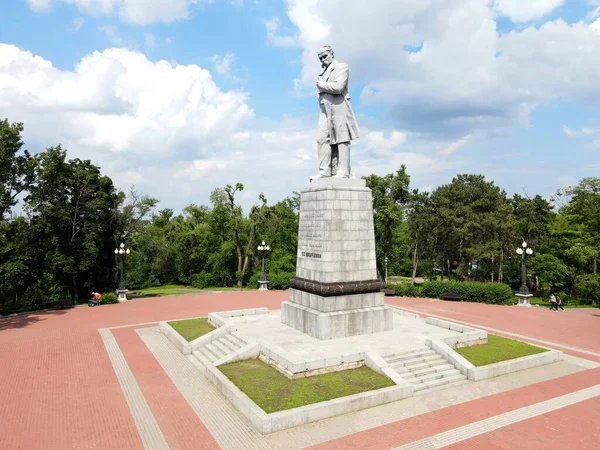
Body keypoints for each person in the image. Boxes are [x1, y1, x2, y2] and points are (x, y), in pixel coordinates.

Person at [311, 45, 360, 180]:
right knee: (322, 138)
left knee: (341, 138)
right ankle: (324, 171)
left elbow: (338, 87)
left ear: (331, 54)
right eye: (320, 58)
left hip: (339, 107)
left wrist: (321, 85)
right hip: (324, 110)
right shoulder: (322, 73)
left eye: (324, 56)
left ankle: (343, 171)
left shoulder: (341, 67)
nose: (322, 60)